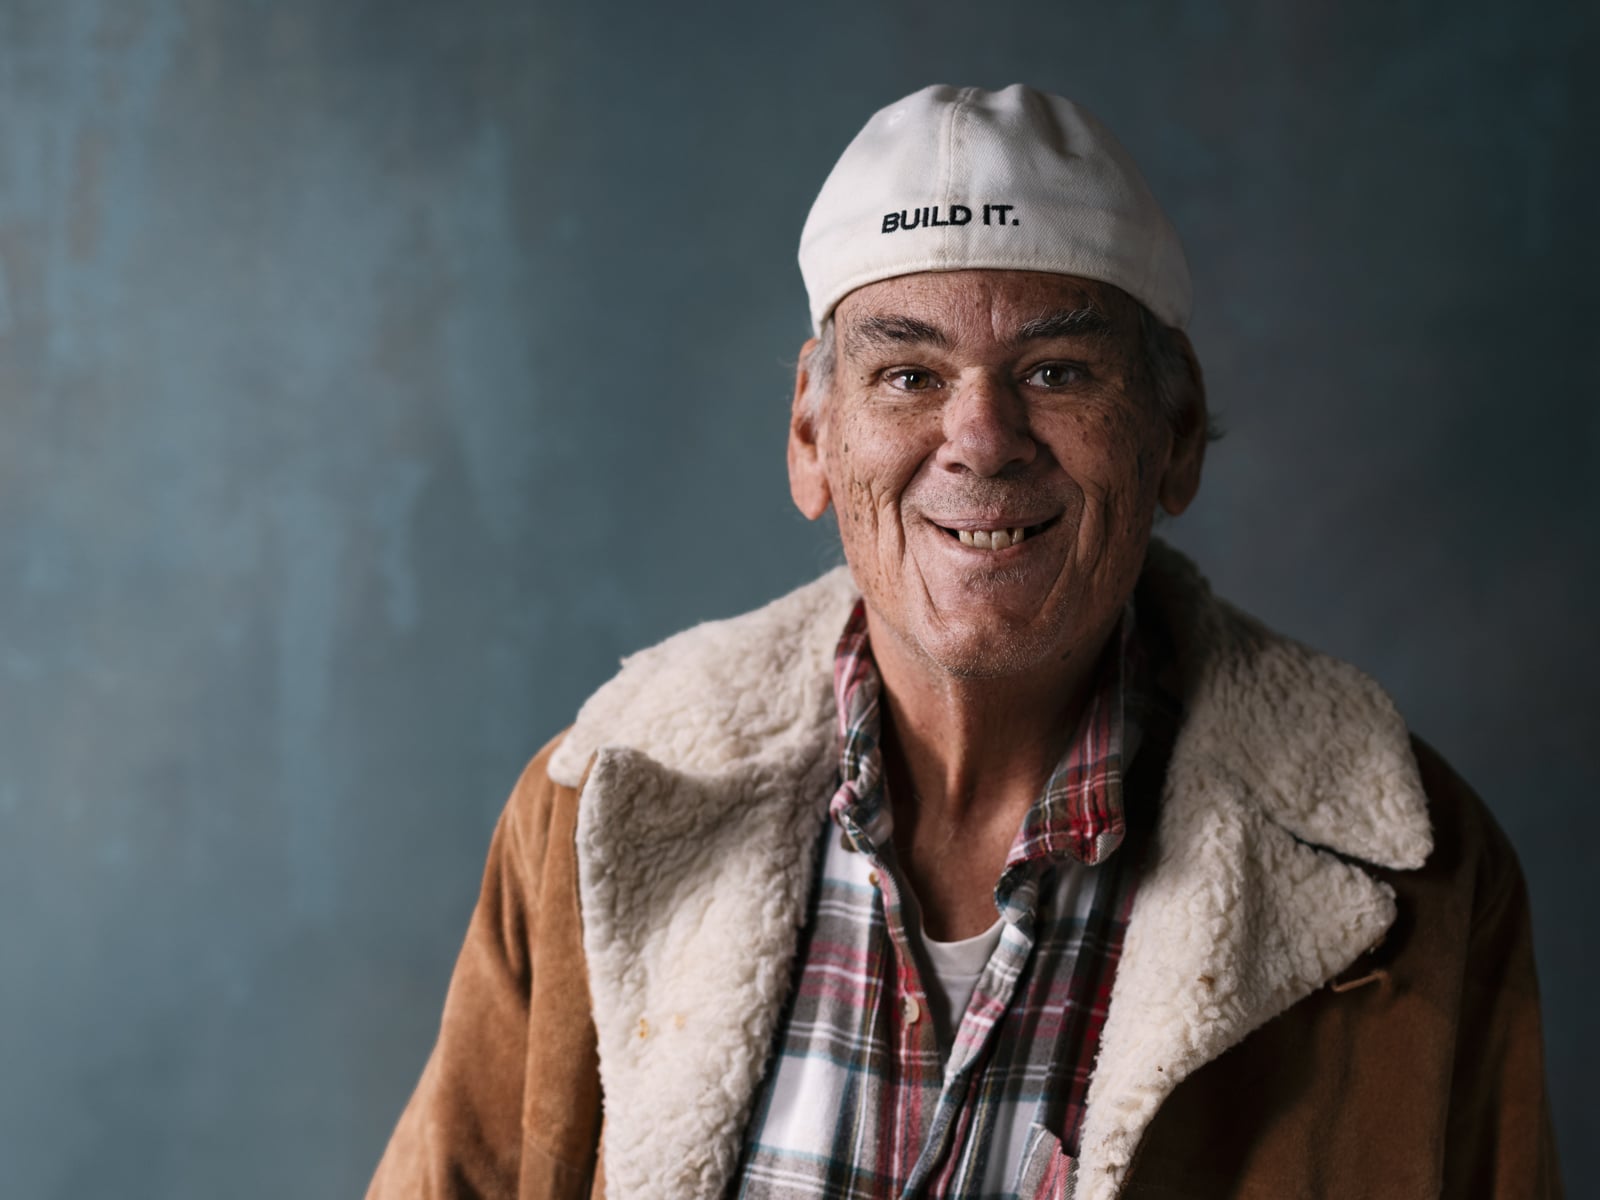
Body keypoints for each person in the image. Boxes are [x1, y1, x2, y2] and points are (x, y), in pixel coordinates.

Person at [367, 85, 1561, 1200]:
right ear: (810, 432)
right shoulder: (595, 811)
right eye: (906, 374)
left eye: (1054, 370)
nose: (980, 439)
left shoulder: (1417, 880)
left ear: (1176, 431)